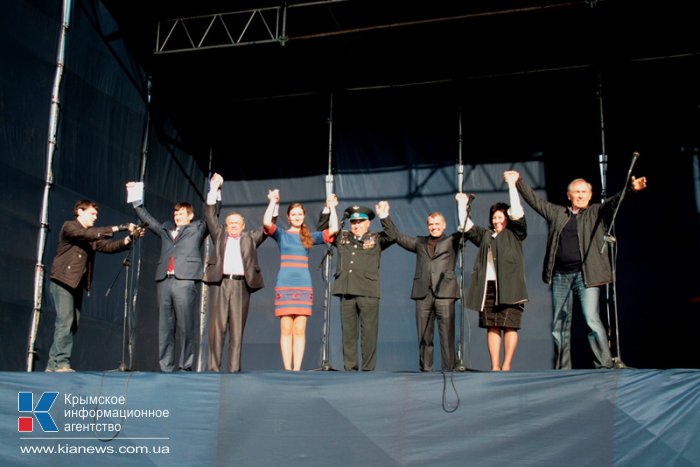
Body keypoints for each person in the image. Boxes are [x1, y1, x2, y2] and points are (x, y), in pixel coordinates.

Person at [513, 171, 648, 369]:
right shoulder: (558, 213)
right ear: (569, 195)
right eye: (577, 192)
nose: (581, 195)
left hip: (586, 275)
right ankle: (563, 369)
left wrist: (629, 189)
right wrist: (518, 182)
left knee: (592, 320)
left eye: (584, 191)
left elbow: (614, 202)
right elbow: (536, 201)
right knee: (559, 326)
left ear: (590, 195)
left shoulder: (595, 212)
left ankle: (604, 364)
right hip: (560, 276)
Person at [45, 200, 137, 372]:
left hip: (76, 283)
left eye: (96, 215)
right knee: (65, 321)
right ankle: (62, 363)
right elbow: (87, 235)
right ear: (80, 211)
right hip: (63, 280)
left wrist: (128, 239)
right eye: (92, 214)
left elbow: (108, 246)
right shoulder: (70, 227)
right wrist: (120, 227)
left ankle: (52, 365)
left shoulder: (90, 235)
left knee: (72, 324)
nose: (95, 217)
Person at [382, 194, 470, 372]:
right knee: (424, 335)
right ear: (427, 226)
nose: (434, 227)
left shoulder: (452, 240)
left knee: (447, 336)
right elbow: (396, 236)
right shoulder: (420, 242)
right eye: (431, 224)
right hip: (423, 294)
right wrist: (385, 217)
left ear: (444, 225)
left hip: (444, 292)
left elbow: (466, 229)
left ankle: (449, 370)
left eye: (437, 224)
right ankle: (426, 370)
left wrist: (463, 205)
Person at [127, 182, 209, 372]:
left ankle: (186, 365)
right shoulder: (165, 229)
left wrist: (215, 192)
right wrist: (134, 197)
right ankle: (166, 366)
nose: (177, 216)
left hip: (185, 280)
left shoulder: (197, 228)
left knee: (185, 325)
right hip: (164, 280)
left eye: (181, 213)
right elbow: (147, 218)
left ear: (190, 216)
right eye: (176, 213)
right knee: (165, 326)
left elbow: (212, 215)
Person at [263, 189, 338, 371]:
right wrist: (272, 201)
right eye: (293, 214)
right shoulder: (282, 234)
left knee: (299, 330)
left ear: (303, 216)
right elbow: (266, 223)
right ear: (288, 217)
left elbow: (334, 229)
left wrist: (333, 207)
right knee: (286, 329)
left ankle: (297, 370)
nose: (297, 217)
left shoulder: (310, 237)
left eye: (299, 214)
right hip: (285, 285)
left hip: (303, 286)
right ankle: (287, 369)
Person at [203, 173, 269, 372]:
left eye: (236, 223)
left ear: (242, 226)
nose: (232, 225)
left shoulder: (250, 238)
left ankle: (234, 370)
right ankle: (213, 369)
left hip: (241, 286)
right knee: (217, 329)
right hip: (221, 283)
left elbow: (267, 227)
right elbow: (209, 215)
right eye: (230, 222)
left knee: (237, 331)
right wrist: (214, 189)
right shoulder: (219, 234)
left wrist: (272, 204)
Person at [463, 171, 528, 371]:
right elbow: (466, 227)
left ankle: (507, 365)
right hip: (488, 288)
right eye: (494, 217)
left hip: (510, 287)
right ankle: (495, 366)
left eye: (500, 217)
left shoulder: (515, 233)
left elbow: (516, 211)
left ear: (507, 219)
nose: (497, 221)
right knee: (492, 325)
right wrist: (462, 204)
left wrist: (511, 185)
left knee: (509, 325)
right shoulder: (485, 235)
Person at [328, 202, 395, 371]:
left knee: (369, 334)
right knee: (348, 334)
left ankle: (368, 370)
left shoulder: (376, 239)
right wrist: (330, 209)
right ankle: (350, 369)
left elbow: (393, 235)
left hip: (367, 292)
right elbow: (325, 229)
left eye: (359, 222)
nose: (356, 225)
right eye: (353, 222)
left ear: (368, 223)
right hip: (347, 291)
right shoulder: (343, 237)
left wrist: (384, 216)